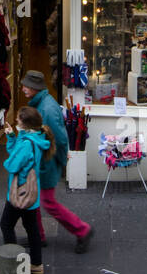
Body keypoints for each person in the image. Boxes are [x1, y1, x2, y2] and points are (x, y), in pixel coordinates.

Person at [18, 70, 94, 253]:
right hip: (42, 162)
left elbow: (60, 139)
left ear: (35, 88)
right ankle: (38, 236)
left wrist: (62, 162)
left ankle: (82, 230)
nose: (22, 89)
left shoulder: (47, 110)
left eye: (26, 86)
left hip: (47, 164)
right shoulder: (42, 104)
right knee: (33, 199)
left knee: (48, 202)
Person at [0, 106, 50, 274]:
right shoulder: (35, 138)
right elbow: (16, 150)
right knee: (32, 228)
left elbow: (11, 164)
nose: (16, 121)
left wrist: (8, 160)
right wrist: (11, 136)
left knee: (6, 225)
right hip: (32, 194)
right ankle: (36, 264)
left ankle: (12, 266)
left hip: (19, 194)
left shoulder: (26, 144)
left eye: (18, 119)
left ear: (25, 124)